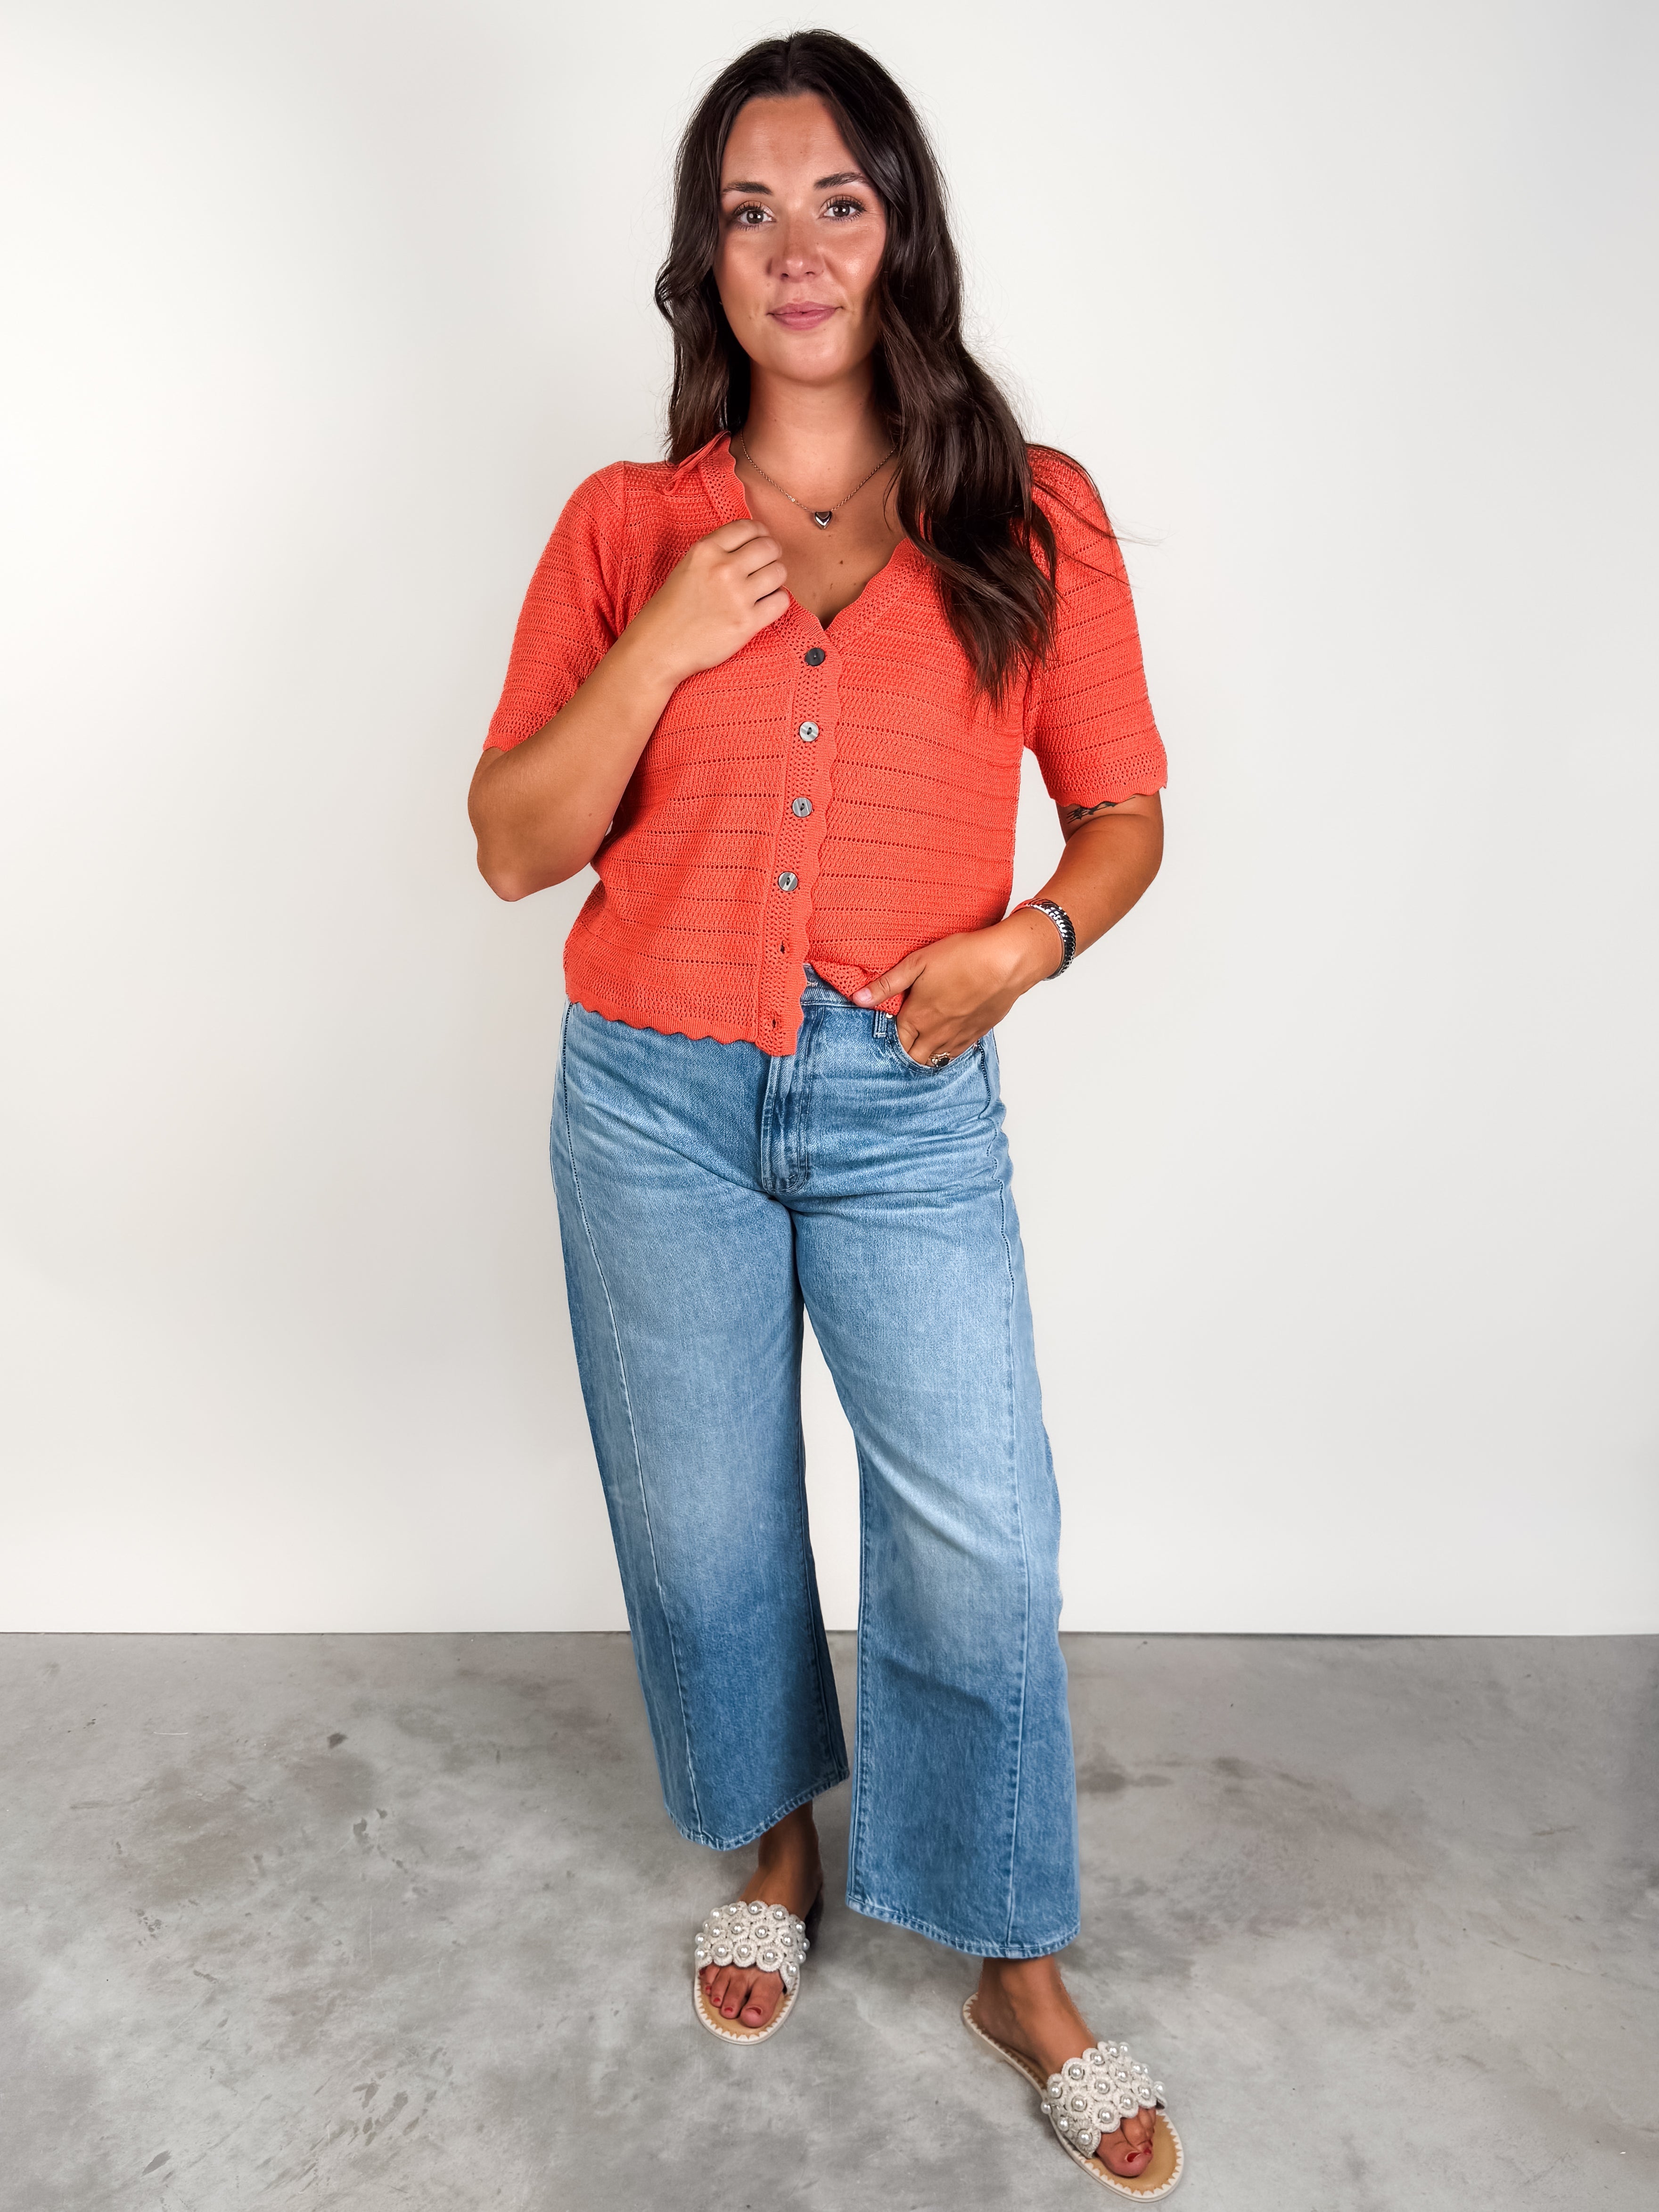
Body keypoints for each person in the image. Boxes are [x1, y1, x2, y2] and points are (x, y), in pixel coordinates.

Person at [468, 31, 1181, 2196]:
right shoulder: (628, 528)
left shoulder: (1028, 511)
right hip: (651, 1100)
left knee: (983, 1532)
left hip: (908, 1096)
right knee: (705, 1525)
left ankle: (1009, 1955)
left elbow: (1125, 813)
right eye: (750, 208)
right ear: (706, 256)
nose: (794, 246)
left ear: (898, 232)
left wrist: (1022, 948)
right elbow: (510, 842)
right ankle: (773, 1845)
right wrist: (660, 645)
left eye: (836, 202)